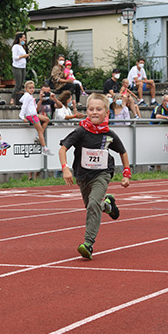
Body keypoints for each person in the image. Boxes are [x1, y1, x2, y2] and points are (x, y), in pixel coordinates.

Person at [59, 93, 131, 259]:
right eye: (91, 109)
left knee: (93, 204)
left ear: (107, 113)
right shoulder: (80, 132)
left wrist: (126, 174)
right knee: (93, 207)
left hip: (102, 174)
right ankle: (108, 205)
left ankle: (88, 244)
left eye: (98, 109)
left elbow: (123, 152)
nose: (94, 112)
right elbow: (63, 149)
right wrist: (65, 169)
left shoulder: (108, 134)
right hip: (82, 175)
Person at [19, 80, 53, 156]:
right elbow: (24, 106)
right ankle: (44, 148)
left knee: (46, 119)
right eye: (30, 88)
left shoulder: (28, 96)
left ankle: (39, 139)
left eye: (33, 88)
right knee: (40, 131)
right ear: (26, 89)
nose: (32, 89)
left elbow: (27, 104)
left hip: (34, 114)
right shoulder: (27, 96)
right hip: (31, 115)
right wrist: (22, 116)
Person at [10, 32, 29, 105]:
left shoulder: (22, 47)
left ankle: (19, 99)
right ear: (20, 38)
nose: (25, 39)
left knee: (21, 84)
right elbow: (15, 57)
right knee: (18, 84)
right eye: (24, 38)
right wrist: (23, 56)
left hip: (23, 67)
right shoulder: (15, 47)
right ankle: (12, 98)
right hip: (17, 67)